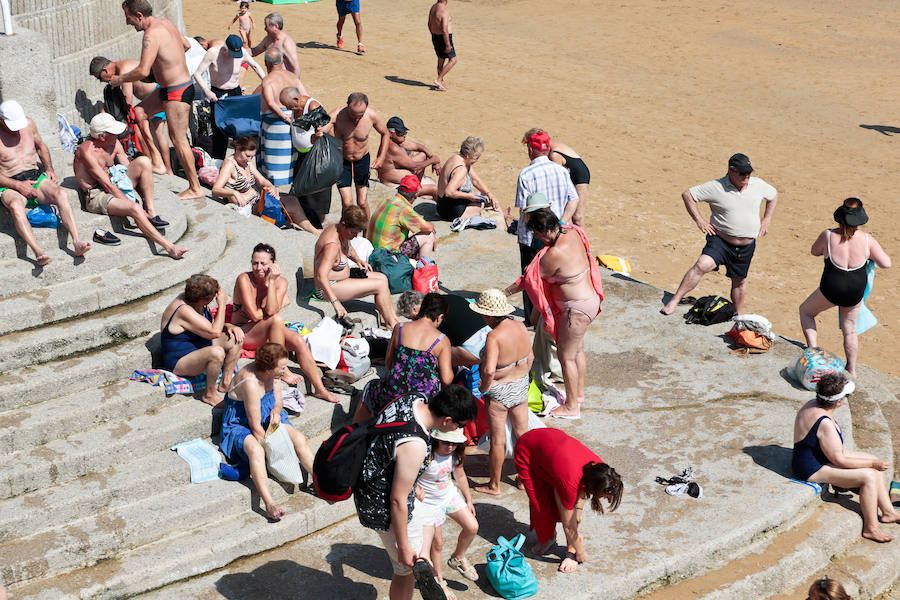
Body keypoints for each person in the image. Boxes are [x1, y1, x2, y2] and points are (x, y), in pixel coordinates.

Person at [354, 385, 478, 600]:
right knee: (405, 570)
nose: (458, 431)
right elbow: (397, 500)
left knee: (427, 518)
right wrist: (403, 546)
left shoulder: (413, 398)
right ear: (447, 421)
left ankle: (423, 557)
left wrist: (412, 483)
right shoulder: (415, 444)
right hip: (379, 503)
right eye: (460, 425)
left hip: (375, 482)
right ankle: (418, 561)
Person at [503, 208, 604, 419]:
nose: (538, 239)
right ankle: (579, 394)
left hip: (574, 309)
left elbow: (529, 280)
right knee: (577, 351)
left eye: (538, 235)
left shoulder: (554, 254)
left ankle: (571, 407)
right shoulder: (573, 232)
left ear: (546, 230)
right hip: (588, 301)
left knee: (566, 356)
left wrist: (505, 293)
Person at [661, 153, 778, 315]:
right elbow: (688, 195)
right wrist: (700, 221)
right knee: (702, 265)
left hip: (746, 247)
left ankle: (738, 315)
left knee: (739, 281)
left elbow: (773, 196)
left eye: (749, 173)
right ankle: (674, 300)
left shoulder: (758, 185)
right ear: (731, 171)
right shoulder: (716, 187)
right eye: (742, 173)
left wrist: (767, 218)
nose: (746, 176)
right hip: (720, 241)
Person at [792, 372, 899, 542]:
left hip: (820, 455)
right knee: (870, 475)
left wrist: (873, 461)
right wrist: (872, 464)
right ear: (839, 401)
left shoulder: (813, 404)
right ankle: (871, 528)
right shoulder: (824, 423)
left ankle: (888, 512)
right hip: (811, 467)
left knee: (873, 462)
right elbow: (839, 459)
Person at [113, 0, 205, 199]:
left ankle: (195, 187)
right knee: (139, 113)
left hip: (177, 91)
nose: (128, 23)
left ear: (138, 16)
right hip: (167, 87)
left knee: (178, 139)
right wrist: (166, 62)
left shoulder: (150, 35)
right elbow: (187, 45)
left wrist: (119, 79)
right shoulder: (166, 23)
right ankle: (157, 161)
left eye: (128, 18)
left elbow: (142, 70)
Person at [219, 342, 315, 521]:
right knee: (257, 450)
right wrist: (276, 451)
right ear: (268, 368)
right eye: (282, 367)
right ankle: (269, 503)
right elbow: (255, 427)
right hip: (240, 423)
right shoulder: (251, 383)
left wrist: (277, 411)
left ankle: (319, 481)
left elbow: (278, 401)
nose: (285, 371)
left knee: (299, 438)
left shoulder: (275, 375)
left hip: (268, 415)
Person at [230, 243, 338, 401]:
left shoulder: (281, 282)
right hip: (244, 331)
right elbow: (254, 315)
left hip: (266, 327)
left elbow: (271, 310)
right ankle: (283, 367)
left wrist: (272, 283)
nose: (258, 267)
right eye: (255, 263)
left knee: (299, 341)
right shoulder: (244, 279)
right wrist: (273, 307)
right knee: (276, 319)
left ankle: (320, 389)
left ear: (273, 265)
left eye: (263, 263)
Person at [73, 113, 188, 259]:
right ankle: (169, 247)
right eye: (114, 133)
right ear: (102, 137)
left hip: (114, 181)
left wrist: (136, 189)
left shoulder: (113, 142)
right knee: (134, 208)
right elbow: (107, 186)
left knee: (144, 162)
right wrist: (133, 204)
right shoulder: (86, 151)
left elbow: (128, 167)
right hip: (97, 193)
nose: (118, 135)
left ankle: (151, 212)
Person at [798, 198, 891, 378]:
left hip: (831, 288)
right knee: (850, 329)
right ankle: (852, 369)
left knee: (806, 312)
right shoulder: (867, 240)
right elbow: (886, 263)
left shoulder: (828, 235)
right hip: (854, 291)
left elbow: (814, 251)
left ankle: (813, 351)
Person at [514, 427, 623, 573]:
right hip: (528, 450)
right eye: (604, 495)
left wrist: (575, 540)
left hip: (554, 449)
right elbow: (568, 526)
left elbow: (578, 506)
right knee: (540, 502)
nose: (604, 498)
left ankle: (570, 548)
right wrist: (580, 552)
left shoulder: (601, 471)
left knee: (572, 514)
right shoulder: (570, 480)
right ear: (594, 487)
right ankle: (550, 537)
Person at [0, 100, 91, 265]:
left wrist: (49, 168)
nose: (16, 129)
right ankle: (38, 251)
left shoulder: (28, 124)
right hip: (8, 182)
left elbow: (41, 146)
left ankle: (77, 242)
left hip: (34, 176)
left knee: (61, 193)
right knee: (15, 205)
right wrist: (17, 185)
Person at [468, 289, 533, 495]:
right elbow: (530, 358)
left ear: (489, 314)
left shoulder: (493, 336)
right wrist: (519, 376)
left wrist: (484, 388)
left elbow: (488, 369)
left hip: (500, 391)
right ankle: (524, 480)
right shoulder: (520, 326)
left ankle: (494, 485)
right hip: (520, 385)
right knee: (522, 434)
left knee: (498, 440)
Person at [355, 292, 452, 421]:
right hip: (423, 399)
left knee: (370, 388)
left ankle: (356, 431)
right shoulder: (442, 340)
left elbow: (389, 363)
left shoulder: (400, 328)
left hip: (394, 391)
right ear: (440, 317)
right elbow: (446, 379)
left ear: (421, 309)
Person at [514, 130, 578, 320]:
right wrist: (561, 223)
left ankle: (532, 318)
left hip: (531, 237)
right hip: (556, 235)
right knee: (554, 278)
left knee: (531, 279)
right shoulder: (561, 170)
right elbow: (573, 200)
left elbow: (525, 209)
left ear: (530, 149)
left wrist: (534, 228)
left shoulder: (526, 174)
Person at [414, 428, 479, 600]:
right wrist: (414, 487)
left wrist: (468, 499)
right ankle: (439, 579)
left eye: (454, 442)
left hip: (449, 496)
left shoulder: (455, 455)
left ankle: (457, 557)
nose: (450, 446)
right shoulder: (425, 455)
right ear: (436, 440)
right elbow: (407, 474)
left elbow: (460, 475)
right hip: (429, 504)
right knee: (437, 544)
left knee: (472, 526)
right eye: (446, 442)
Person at [159, 274, 243, 406]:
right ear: (206, 299)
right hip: (180, 360)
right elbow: (214, 332)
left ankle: (225, 383)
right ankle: (209, 394)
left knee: (236, 338)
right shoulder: (184, 310)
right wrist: (222, 304)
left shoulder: (196, 301)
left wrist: (229, 326)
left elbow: (209, 326)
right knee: (217, 353)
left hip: (199, 346)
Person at [313, 205, 400, 328]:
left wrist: (358, 260)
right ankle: (393, 324)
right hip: (327, 288)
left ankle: (392, 318)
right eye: (353, 232)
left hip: (341, 279)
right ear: (343, 224)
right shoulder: (332, 246)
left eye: (357, 233)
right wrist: (336, 303)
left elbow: (348, 248)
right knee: (379, 285)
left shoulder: (340, 230)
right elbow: (321, 275)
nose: (355, 236)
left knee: (383, 278)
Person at [89, 55, 170, 175]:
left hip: (159, 93)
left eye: (100, 78)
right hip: (155, 94)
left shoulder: (124, 70)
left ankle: (160, 165)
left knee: (147, 127)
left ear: (105, 70)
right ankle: (162, 166)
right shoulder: (123, 66)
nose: (103, 81)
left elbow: (128, 101)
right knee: (153, 131)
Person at [193, 34, 265, 160]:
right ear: (226, 48)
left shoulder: (242, 52)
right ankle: (219, 160)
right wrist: (207, 91)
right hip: (217, 94)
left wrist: (267, 82)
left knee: (240, 128)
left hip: (234, 93)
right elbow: (197, 74)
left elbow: (255, 66)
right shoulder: (213, 53)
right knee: (219, 131)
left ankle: (242, 159)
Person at [325, 92, 390, 215]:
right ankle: (345, 231)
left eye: (360, 115)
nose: (356, 119)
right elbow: (323, 125)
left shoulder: (371, 115)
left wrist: (381, 158)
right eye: (353, 114)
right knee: (347, 203)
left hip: (362, 160)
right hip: (342, 161)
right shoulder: (337, 114)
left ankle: (366, 231)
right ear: (347, 106)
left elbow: (385, 133)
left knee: (362, 202)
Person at [281, 86, 332, 227]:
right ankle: (304, 220)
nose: (288, 108)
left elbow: (326, 126)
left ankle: (320, 224)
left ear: (297, 99)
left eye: (288, 105)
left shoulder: (312, 106)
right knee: (301, 191)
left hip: (315, 155)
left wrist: (316, 137)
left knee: (317, 193)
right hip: (301, 155)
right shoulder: (295, 107)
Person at [257, 48, 307, 188]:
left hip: (276, 123)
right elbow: (305, 96)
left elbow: (271, 102)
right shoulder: (292, 77)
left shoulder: (268, 80)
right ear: (282, 60)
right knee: (292, 160)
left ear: (266, 63)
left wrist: (284, 116)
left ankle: (274, 197)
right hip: (295, 121)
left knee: (273, 166)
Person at [522, 128, 591, 229]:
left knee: (578, 217)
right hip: (570, 172)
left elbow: (554, 178)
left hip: (579, 177)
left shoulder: (554, 154)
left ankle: (583, 243)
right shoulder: (548, 145)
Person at [367, 175, 437, 260]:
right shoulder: (404, 209)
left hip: (374, 253)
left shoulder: (388, 200)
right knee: (429, 236)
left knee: (414, 229)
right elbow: (428, 228)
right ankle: (423, 268)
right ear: (416, 195)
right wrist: (433, 230)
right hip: (389, 257)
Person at [436, 136, 497, 229]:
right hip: (450, 212)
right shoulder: (461, 169)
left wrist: (489, 194)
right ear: (468, 154)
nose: (478, 160)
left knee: (484, 197)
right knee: (481, 204)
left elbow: (476, 180)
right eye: (476, 157)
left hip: (441, 206)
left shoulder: (456, 158)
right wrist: (470, 196)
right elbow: (449, 192)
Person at [377, 116, 441, 198]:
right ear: (390, 133)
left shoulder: (396, 141)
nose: (404, 135)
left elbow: (419, 147)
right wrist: (433, 160)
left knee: (423, 155)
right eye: (400, 133)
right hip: (394, 186)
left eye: (404, 132)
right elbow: (414, 167)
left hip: (403, 181)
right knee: (434, 189)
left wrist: (434, 160)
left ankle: (417, 186)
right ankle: (417, 191)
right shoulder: (392, 147)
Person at [439, 293, 493, 367]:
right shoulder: (454, 297)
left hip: (474, 350)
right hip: (491, 339)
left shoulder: (429, 314)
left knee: (437, 356)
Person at [427, 0, 456, 91]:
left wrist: (433, 34)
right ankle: (439, 80)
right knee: (453, 60)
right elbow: (444, 29)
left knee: (441, 59)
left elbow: (429, 24)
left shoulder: (433, 7)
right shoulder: (444, 11)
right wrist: (447, 44)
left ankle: (441, 84)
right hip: (444, 37)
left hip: (435, 36)